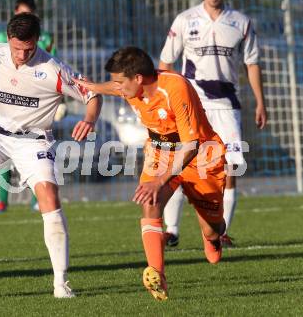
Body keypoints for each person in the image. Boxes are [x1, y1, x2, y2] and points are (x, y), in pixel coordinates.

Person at [0, 13, 102, 298]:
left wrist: (90, 119)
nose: (22, 54)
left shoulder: (52, 69)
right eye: (17, 48)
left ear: (37, 40)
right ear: (8, 39)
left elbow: (92, 94)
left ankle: (61, 284)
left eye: (28, 48)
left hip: (33, 142)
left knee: (49, 198)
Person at [74, 46, 227, 301]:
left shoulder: (175, 88)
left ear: (138, 79)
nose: (118, 87)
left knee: (212, 227)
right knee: (150, 203)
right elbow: (113, 87)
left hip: (200, 155)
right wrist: (88, 84)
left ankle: (214, 236)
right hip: (160, 152)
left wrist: (159, 181)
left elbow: (190, 146)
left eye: (120, 81)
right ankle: (158, 277)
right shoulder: (130, 86)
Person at [158, 0, 267, 247]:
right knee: (181, 165)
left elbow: (252, 63)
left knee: (231, 167)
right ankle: (171, 230)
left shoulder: (241, 22)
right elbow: (165, 63)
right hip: (192, 106)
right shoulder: (185, 20)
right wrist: (173, 97)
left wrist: (260, 101)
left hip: (227, 107)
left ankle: (221, 232)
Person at [0, 0, 65, 213]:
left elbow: (56, 69)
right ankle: (2, 198)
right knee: (4, 149)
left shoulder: (44, 38)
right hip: (11, 101)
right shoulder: (1, 37)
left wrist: (59, 100)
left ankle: (39, 197)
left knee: (37, 152)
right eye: (21, 13)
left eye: (29, 14)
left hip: (37, 104)